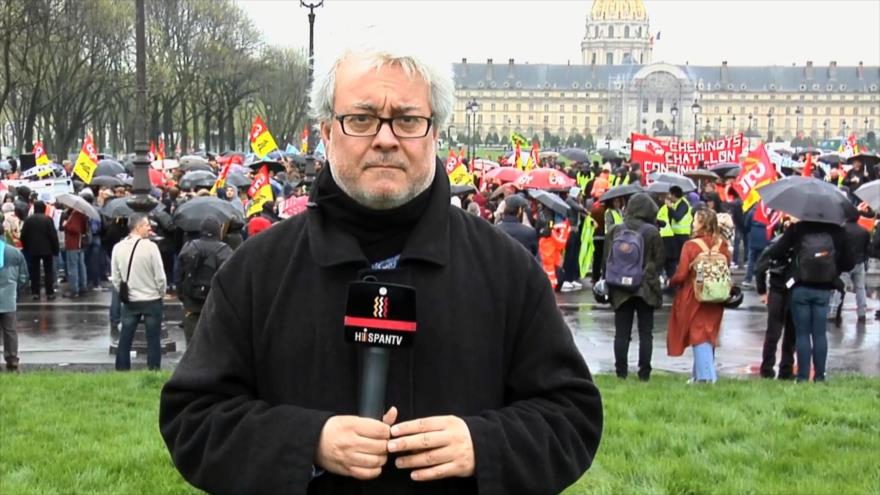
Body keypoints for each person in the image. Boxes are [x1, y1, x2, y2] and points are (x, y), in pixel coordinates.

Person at [160, 46, 602, 494]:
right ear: (328, 132)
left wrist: (483, 445)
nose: (386, 139)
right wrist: (307, 441)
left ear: (436, 133)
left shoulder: (507, 270)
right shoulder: (256, 270)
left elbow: (571, 415)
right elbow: (193, 419)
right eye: (363, 119)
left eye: (408, 120)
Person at [762, 217, 853, 382]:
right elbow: (849, 262)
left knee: (802, 334)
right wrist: (833, 270)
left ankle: (802, 376)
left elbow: (776, 251)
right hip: (824, 288)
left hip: (800, 287)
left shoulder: (798, 229)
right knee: (819, 334)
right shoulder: (837, 232)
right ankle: (820, 376)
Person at [603, 193, 664, 381]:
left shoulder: (615, 230)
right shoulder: (652, 231)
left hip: (620, 286)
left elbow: (607, 259)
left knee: (621, 333)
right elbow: (660, 259)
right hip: (645, 287)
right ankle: (644, 372)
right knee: (646, 333)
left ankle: (621, 372)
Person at [667, 208, 730, 383]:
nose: (692, 223)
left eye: (695, 220)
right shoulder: (722, 244)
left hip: (695, 295)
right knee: (708, 333)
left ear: (701, 223)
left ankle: (707, 378)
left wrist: (670, 282)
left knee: (698, 335)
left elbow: (681, 274)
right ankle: (697, 375)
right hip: (718, 295)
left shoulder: (691, 245)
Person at [110, 213, 166, 371]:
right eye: (147, 225)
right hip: (152, 299)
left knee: (125, 338)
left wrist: (123, 291)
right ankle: (153, 370)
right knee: (153, 339)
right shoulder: (151, 247)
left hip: (131, 300)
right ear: (138, 227)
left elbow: (115, 277)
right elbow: (160, 276)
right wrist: (161, 293)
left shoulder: (118, 247)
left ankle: (122, 369)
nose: (150, 228)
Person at [176, 217, 233, 344]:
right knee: (214, 344)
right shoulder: (225, 250)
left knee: (192, 344)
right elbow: (232, 279)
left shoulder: (189, 247)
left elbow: (179, 274)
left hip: (191, 302)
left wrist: (182, 294)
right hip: (215, 303)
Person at [755, 232, 796, 380]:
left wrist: (762, 291)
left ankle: (767, 368)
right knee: (791, 333)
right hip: (794, 290)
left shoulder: (776, 243)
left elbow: (760, 266)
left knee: (773, 332)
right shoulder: (803, 243)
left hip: (777, 289)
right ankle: (786, 369)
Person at [828, 209, 871, 322]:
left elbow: (836, 248)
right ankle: (862, 312)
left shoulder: (841, 230)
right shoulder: (864, 231)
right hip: (859, 262)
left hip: (844, 264)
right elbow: (867, 249)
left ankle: (834, 311)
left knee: (840, 287)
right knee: (860, 288)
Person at [0, 223, 29, 371]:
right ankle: (11, 359)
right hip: (8, 297)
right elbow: (24, 277)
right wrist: (16, 289)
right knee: (10, 330)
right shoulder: (14, 253)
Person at [20, 200, 59, 300]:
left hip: (33, 249)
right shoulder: (48, 219)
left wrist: (26, 246)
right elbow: (53, 236)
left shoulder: (28, 220)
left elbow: (23, 235)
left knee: (34, 271)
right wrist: (56, 249)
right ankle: (49, 292)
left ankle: (35, 292)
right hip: (47, 249)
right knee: (48, 271)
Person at [60, 207, 88, 298]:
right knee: (81, 265)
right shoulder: (82, 214)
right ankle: (82, 286)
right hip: (79, 244)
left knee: (72, 267)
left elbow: (75, 229)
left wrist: (66, 224)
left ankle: (74, 290)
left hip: (73, 243)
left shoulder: (75, 214)